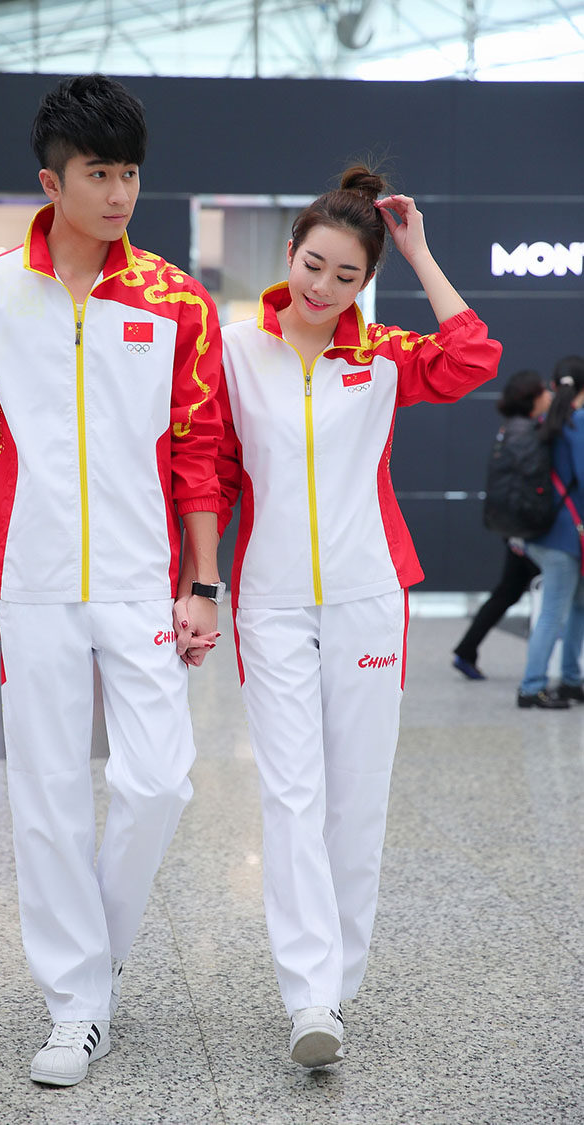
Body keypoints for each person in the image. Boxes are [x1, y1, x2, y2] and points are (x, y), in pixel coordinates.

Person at [0, 74, 223, 1087]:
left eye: (130, 171)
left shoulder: (176, 300)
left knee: (160, 778)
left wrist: (203, 584)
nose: (120, 193)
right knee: (47, 793)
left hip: (142, 581)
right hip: (35, 582)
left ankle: (96, 954)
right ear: (51, 182)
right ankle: (75, 1006)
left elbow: (198, 452)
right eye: (99, 173)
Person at [217, 165, 502, 1067]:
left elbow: (473, 357)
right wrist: (195, 581)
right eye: (314, 265)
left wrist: (417, 253)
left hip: (370, 599)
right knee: (291, 793)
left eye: (347, 275)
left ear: (366, 281)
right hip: (269, 603)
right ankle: (309, 994)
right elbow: (211, 472)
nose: (323, 287)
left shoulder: (381, 354)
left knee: (356, 797)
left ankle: (336, 987)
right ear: (289, 252)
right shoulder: (233, 350)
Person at [452, 369, 549, 680]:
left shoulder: (512, 429)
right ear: (532, 398)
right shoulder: (526, 433)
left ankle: (466, 650)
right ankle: (541, 674)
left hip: (514, 528)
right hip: (523, 530)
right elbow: (532, 481)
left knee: (509, 591)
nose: (548, 395)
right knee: (552, 595)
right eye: (543, 390)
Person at [517, 355, 584, 709]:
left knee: (577, 606)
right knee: (556, 611)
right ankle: (531, 687)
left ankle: (571, 680)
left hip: (543, 531)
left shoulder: (544, 421)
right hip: (567, 536)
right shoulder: (578, 422)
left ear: (554, 385)